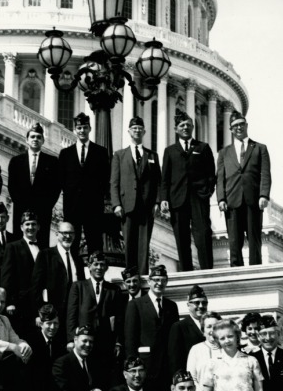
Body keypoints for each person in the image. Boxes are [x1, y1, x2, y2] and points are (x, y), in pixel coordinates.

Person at [159, 110, 215, 271]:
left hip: (198, 197)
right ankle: (186, 271)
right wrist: (164, 198)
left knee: (203, 234)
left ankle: (207, 270)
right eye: (182, 125)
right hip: (178, 198)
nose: (186, 128)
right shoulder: (170, 151)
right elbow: (165, 177)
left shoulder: (203, 147)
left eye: (189, 125)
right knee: (181, 237)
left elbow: (211, 174)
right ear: (176, 129)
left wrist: (207, 192)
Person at [216, 111, 271, 267]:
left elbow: (265, 173)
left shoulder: (260, 148)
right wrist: (221, 198)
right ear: (231, 130)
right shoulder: (224, 153)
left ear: (246, 125)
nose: (238, 128)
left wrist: (264, 195)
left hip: (253, 200)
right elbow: (220, 177)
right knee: (234, 242)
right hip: (232, 201)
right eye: (235, 126)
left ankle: (255, 272)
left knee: (254, 241)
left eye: (241, 124)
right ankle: (236, 274)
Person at [110, 116, 161, 274]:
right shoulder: (119, 155)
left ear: (144, 131)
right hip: (127, 205)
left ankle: (143, 274)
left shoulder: (152, 155)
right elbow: (114, 182)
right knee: (129, 242)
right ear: (129, 131)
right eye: (134, 128)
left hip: (146, 206)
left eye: (140, 128)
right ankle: (130, 274)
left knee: (144, 243)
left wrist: (157, 202)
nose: (137, 131)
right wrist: (116, 204)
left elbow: (158, 181)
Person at [124, 264, 179, 391]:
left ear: (166, 282)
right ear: (149, 282)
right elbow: (130, 340)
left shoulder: (172, 307)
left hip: (166, 369)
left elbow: (174, 339)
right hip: (145, 368)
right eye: (155, 279)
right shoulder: (136, 305)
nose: (159, 283)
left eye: (162, 280)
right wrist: (134, 370)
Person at [66, 250, 124, 378]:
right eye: (96, 264)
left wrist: (118, 342)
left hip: (105, 343)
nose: (99, 268)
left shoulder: (114, 290)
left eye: (102, 264)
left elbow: (119, 318)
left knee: (104, 376)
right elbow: (71, 314)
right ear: (89, 266)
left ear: (106, 267)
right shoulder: (78, 287)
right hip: (84, 342)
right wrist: (71, 339)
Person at [59, 112, 110, 253]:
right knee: (71, 244)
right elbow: (61, 179)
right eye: (79, 127)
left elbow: (105, 178)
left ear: (90, 129)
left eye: (85, 127)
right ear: (75, 129)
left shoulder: (101, 152)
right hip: (72, 206)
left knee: (95, 243)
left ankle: (95, 273)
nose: (82, 131)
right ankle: (74, 273)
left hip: (93, 206)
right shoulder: (65, 154)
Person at [7, 123, 61, 247]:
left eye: (38, 137)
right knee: (20, 245)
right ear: (27, 140)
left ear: (43, 140)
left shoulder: (52, 162)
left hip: (42, 212)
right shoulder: (16, 161)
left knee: (41, 245)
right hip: (21, 211)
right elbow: (12, 187)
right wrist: (24, 207)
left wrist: (45, 206)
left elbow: (55, 189)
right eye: (32, 137)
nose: (35, 139)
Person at [0, 210, 41, 339]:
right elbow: (7, 276)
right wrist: (9, 302)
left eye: (33, 224)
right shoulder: (13, 247)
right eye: (27, 224)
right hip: (19, 303)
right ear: (21, 227)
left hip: (38, 302)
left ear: (38, 227)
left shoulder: (43, 248)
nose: (30, 227)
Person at [31, 221, 85, 318]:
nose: (68, 236)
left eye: (71, 233)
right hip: (52, 313)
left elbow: (82, 285)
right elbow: (36, 286)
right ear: (57, 234)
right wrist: (38, 313)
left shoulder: (77, 259)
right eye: (64, 233)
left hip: (74, 312)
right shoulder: (46, 255)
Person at [27, 303, 67, 391]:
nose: (53, 327)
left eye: (56, 323)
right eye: (49, 323)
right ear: (41, 324)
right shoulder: (32, 340)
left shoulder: (58, 345)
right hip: (32, 385)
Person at [168, 284, 208, 377]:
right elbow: (175, 360)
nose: (201, 306)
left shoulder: (211, 325)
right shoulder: (179, 327)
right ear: (188, 305)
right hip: (189, 379)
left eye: (204, 303)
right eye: (197, 303)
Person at [186, 311, 223, 391]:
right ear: (203, 331)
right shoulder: (196, 349)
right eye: (209, 327)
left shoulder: (228, 349)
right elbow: (191, 377)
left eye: (215, 326)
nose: (212, 330)